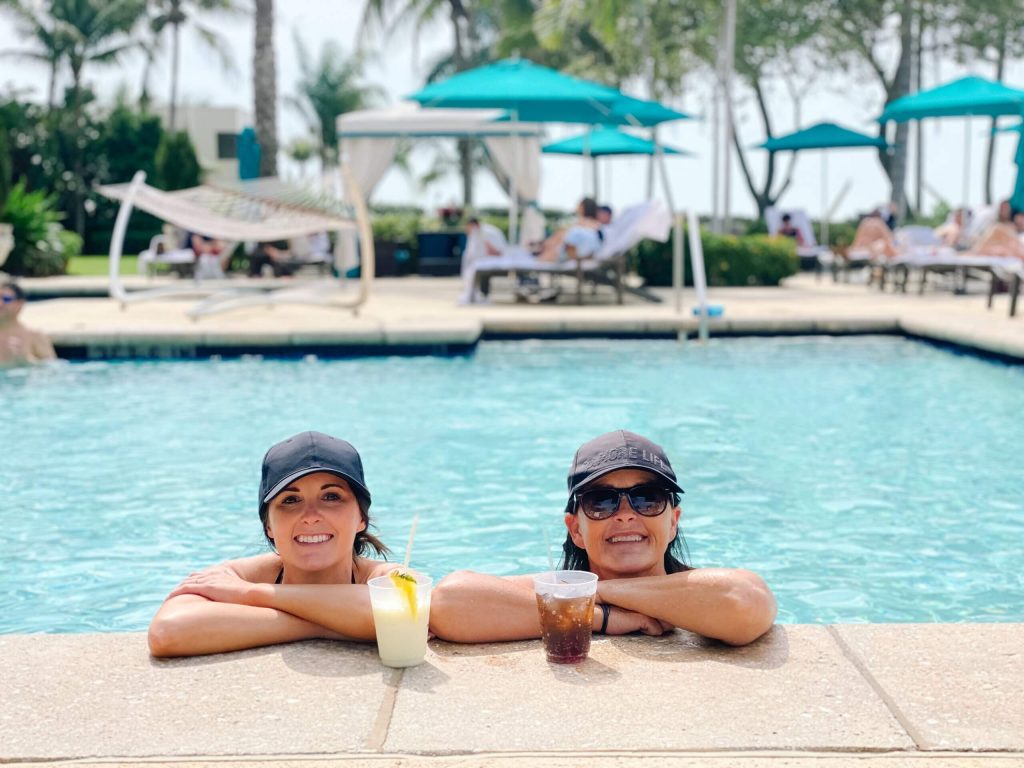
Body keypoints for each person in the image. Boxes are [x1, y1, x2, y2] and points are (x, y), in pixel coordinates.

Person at [429, 430, 777, 646]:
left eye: (647, 498)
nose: (626, 513)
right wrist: (603, 617)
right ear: (576, 529)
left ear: (673, 522)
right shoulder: (559, 586)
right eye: (602, 502)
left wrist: (593, 593)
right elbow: (447, 600)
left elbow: (746, 601)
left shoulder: (703, 589)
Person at [148, 431, 403, 657]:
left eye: (331, 496)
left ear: (361, 518)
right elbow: (167, 631)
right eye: (291, 500)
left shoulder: (387, 576)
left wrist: (252, 594)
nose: (311, 516)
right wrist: (342, 625)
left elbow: (404, 611)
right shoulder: (233, 575)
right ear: (269, 525)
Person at [0, 282, 56, 367]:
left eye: (6, 299)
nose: (0, 304)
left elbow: (54, 371)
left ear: (20, 304)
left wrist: (26, 361)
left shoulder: (35, 337)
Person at [537, 197, 603, 263]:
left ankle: (539, 252)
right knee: (558, 238)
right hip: (581, 253)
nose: (577, 207)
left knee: (556, 240)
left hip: (574, 254)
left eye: (579, 205)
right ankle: (541, 248)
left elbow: (568, 241)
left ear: (583, 207)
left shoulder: (582, 225)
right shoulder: (596, 225)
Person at [459, 217, 507, 304]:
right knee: (471, 274)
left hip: (494, 260)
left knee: (479, 273)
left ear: (473, 225)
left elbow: (497, 251)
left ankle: (482, 295)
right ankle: (473, 295)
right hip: (483, 261)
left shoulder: (487, 232)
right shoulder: (476, 233)